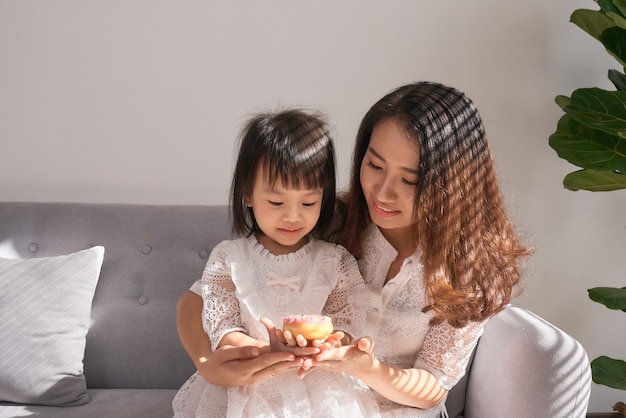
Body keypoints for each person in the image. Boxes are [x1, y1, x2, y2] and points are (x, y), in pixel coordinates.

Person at [176, 82, 533, 417]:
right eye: (374, 164)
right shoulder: (333, 222)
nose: (382, 191)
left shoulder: (467, 270)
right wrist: (212, 364)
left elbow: (432, 387)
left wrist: (365, 367)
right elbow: (197, 300)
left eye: (410, 180)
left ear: (453, 186)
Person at [172, 109, 380, 418]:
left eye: (308, 202)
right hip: (248, 382)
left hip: (315, 385)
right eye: (277, 202)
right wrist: (259, 350)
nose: (293, 216)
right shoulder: (229, 259)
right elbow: (222, 325)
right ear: (248, 195)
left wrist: (331, 343)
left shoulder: (334, 260)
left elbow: (346, 318)